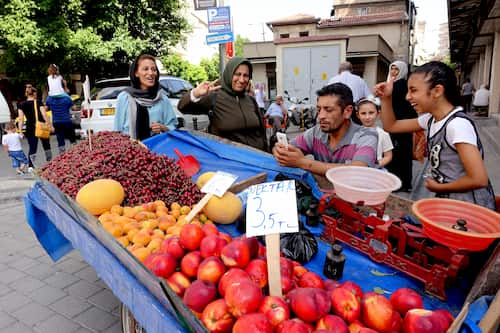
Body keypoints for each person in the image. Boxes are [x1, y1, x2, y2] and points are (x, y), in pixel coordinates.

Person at [374, 61, 496, 210]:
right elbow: (391, 126)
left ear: (437, 91)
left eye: (413, 90)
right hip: (451, 205)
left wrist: (439, 187)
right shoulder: (431, 119)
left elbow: (478, 179)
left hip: (471, 210)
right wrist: (386, 98)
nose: (408, 97)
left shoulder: (457, 125)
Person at [273, 82, 378, 176]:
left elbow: (358, 170)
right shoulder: (316, 132)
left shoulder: (367, 135)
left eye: (328, 110)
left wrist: (302, 162)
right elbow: (290, 148)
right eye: (319, 109)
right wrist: (281, 151)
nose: (321, 116)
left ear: (347, 111)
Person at [178, 57, 267, 151]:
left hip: (257, 159)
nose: (241, 80)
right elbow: (182, 107)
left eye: (245, 75)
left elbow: (262, 132)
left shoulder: (251, 100)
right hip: (229, 160)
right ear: (229, 74)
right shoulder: (214, 98)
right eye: (237, 74)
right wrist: (196, 93)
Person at [115, 54, 178, 140]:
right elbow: (117, 130)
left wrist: (163, 128)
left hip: (157, 149)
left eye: (154, 69)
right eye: (145, 69)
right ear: (136, 73)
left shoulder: (162, 99)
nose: (151, 73)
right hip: (131, 150)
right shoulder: (125, 97)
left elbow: (173, 127)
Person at [385, 61, 417, 191]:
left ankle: (397, 184)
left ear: (402, 71)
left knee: (396, 154)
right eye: (392, 69)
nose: (393, 72)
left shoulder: (397, 85)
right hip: (406, 124)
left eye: (396, 70)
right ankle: (405, 183)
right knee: (405, 154)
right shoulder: (404, 85)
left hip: (397, 124)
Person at [18, 85, 52, 168]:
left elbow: (21, 119)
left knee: (32, 147)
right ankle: (50, 162)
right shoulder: (39, 102)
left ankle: (31, 166)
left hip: (30, 128)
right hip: (41, 126)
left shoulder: (21, 104)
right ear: (34, 94)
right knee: (46, 145)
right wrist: (49, 125)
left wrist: (20, 131)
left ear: (26, 94)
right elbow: (44, 114)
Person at [356, 97, 393, 169]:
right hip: (357, 169)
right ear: (358, 115)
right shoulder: (355, 132)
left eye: (371, 113)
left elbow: (388, 156)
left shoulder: (383, 134)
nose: (367, 117)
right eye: (363, 113)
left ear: (378, 113)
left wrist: (377, 164)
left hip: (375, 170)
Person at [45, 86, 76, 153]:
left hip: (56, 122)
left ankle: (62, 154)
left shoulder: (49, 99)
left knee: (60, 138)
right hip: (66, 121)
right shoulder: (66, 98)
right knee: (72, 137)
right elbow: (74, 108)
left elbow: (45, 109)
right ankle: (74, 151)